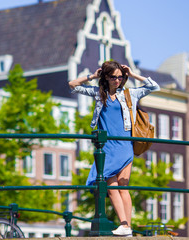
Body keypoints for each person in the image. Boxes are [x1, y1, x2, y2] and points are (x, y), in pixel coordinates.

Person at [69, 60, 160, 237]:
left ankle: (126, 226)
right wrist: (92, 76)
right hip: (107, 147)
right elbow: (72, 85)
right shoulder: (97, 93)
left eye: (120, 77)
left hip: (125, 144)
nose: (117, 80)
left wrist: (132, 74)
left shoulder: (129, 94)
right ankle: (125, 227)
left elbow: (153, 86)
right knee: (111, 188)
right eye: (113, 77)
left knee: (122, 188)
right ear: (105, 77)